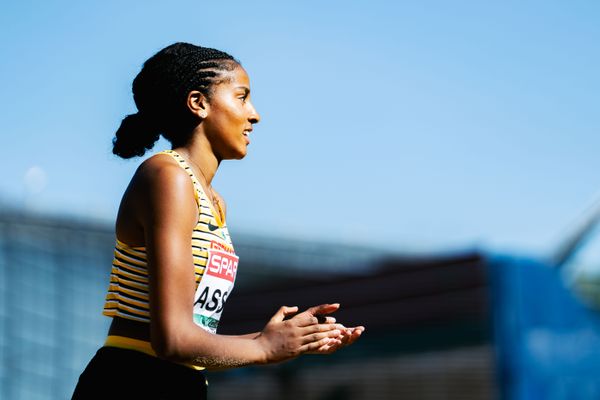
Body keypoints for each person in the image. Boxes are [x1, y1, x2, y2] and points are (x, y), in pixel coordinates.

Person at [71, 42, 364, 399]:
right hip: (133, 380)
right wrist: (264, 348)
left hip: (180, 381)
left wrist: (283, 341)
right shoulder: (168, 177)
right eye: (242, 97)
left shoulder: (214, 201)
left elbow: (194, 335)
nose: (254, 115)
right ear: (199, 103)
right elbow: (173, 338)